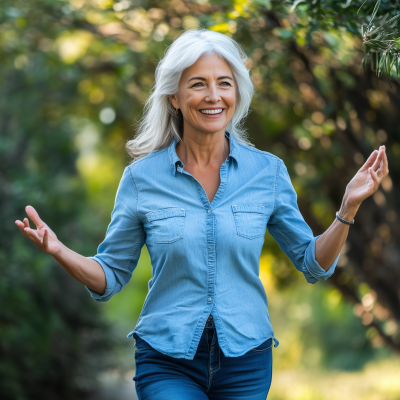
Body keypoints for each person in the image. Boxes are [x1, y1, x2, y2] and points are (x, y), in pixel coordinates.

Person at [15, 29, 389, 400]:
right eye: (198, 84)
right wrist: (59, 250)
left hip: (245, 359)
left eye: (224, 83)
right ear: (175, 97)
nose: (213, 96)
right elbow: (110, 276)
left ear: (236, 93)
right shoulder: (141, 180)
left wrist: (347, 208)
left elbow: (313, 264)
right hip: (167, 358)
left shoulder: (268, 173)